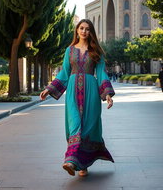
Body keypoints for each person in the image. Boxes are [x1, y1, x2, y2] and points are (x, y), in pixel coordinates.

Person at [40, 19, 115, 177]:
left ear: (91, 32)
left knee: (87, 127)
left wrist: (107, 94)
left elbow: (101, 73)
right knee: (74, 125)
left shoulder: (96, 51)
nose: (84, 31)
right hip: (73, 93)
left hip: (91, 93)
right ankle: (71, 161)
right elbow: (64, 73)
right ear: (77, 30)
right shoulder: (70, 50)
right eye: (81, 28)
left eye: (87, 29)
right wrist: (49, 89)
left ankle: (82, 164)